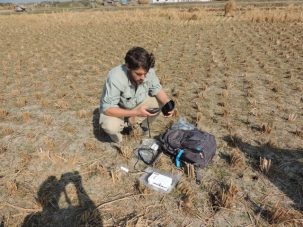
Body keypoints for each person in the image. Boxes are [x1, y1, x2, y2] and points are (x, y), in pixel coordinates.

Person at [99, 47, 174, 143]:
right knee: (110, 126)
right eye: (138, 74)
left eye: (145, 74)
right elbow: (107, 109)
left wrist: (168, 104)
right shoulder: (115, 77)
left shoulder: (149, 71)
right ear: (128, 66)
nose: (143, 77)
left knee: (160, 102)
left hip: (137, 106)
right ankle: (120, 138)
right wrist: (136, 113)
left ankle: (140, 127)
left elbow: (157, 89)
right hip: (117, 110)